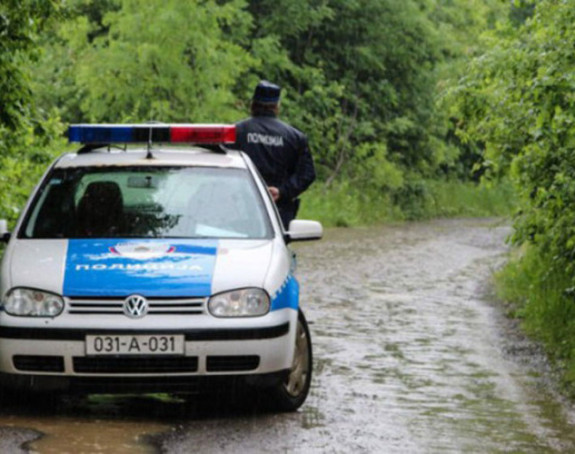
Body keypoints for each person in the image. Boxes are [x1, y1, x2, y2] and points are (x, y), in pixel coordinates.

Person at [234, 80, 316, 229]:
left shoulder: (236, 132)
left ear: (252, 104)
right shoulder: (295, 137)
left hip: (237, 209)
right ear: (277, 106)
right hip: (278, 213)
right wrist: (281, 191)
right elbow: (307, 174)